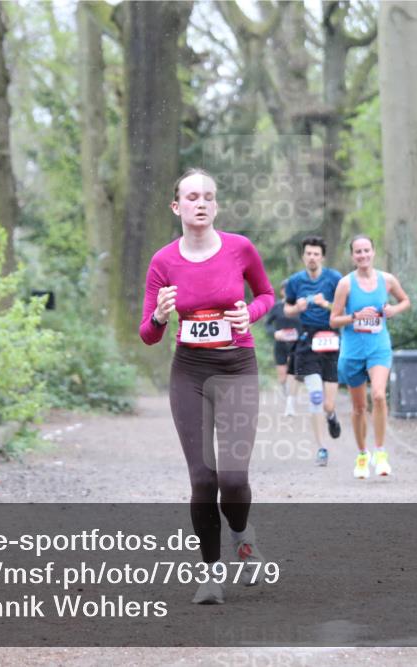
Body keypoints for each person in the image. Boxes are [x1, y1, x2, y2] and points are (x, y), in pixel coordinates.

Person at [140, 168, 275, 605]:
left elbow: (267, 296)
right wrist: (161, 316)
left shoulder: (240, 249)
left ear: (215, 205)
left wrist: (248, 315)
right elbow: (148, 333)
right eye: (193, 196)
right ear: (177, 206)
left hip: (237, 367)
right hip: (190, 373)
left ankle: (242, 534)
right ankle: (211, 572)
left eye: (209, 196)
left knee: (233, 479)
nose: (202, 203)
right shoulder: (163, 261)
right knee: (203, 478)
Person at [329, 235, 411, 479]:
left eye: (366, 250)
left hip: (378, 346)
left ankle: (381, 452)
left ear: (373, 252)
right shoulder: (345, 284)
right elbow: (333, 319)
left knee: (377, 395)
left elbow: (405, 301)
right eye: (358, 252)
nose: (362, 255)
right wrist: (354, 317)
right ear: (352, 256)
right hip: (353, 350)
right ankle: (362, 455)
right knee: (358, 407)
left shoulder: (386, 280)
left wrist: (393, 310)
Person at [284, 236, 344, 466]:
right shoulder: (295, 282)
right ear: (303, 256)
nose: (312, 257)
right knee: (315, 396)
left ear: (322, 257)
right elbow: (287, 309)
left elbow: (345, 307)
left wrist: (325, 304)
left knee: (328, 403)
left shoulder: (334, 279)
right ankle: (321, 448)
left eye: (316, 254)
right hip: (308, 339)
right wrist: (296, 308)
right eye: (308, 253)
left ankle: (331, 415)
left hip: (330, 338)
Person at [264, 280, 301, 416]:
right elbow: (267, 324)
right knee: (282, 376)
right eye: (286, 289)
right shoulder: (277, 307)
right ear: (282, 291)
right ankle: (288, 398)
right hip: (280, 344)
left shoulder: (300, 307)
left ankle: (290, 404)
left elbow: (307, 324)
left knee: (293, 373)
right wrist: (275, 333)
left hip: (296, 345)